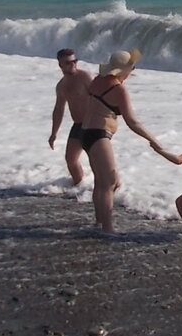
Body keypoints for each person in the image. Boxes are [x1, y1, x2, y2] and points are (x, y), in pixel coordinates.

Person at [80, 49, 162, 232]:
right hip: (98, 134)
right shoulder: (118, 89)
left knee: (102, 182)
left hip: (85, 133)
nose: (132, 72)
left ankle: (99, 222)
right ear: (123, 71)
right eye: (131, 69)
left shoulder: (97, 81)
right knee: (109, 182)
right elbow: (132, 121)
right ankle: (107, 228)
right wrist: (153, 140)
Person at [48, 48, 94, 185]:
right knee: (71, 159)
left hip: (93, 124)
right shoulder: (61, 86)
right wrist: (53, 133)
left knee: (97, 161)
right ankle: (80, 187)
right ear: (60, 65)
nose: (73, 64)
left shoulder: (85, 77)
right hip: (78, 125)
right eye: (68, 62)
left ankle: (106, 190)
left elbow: (100, 97)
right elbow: (58, 109)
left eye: (75, 61)